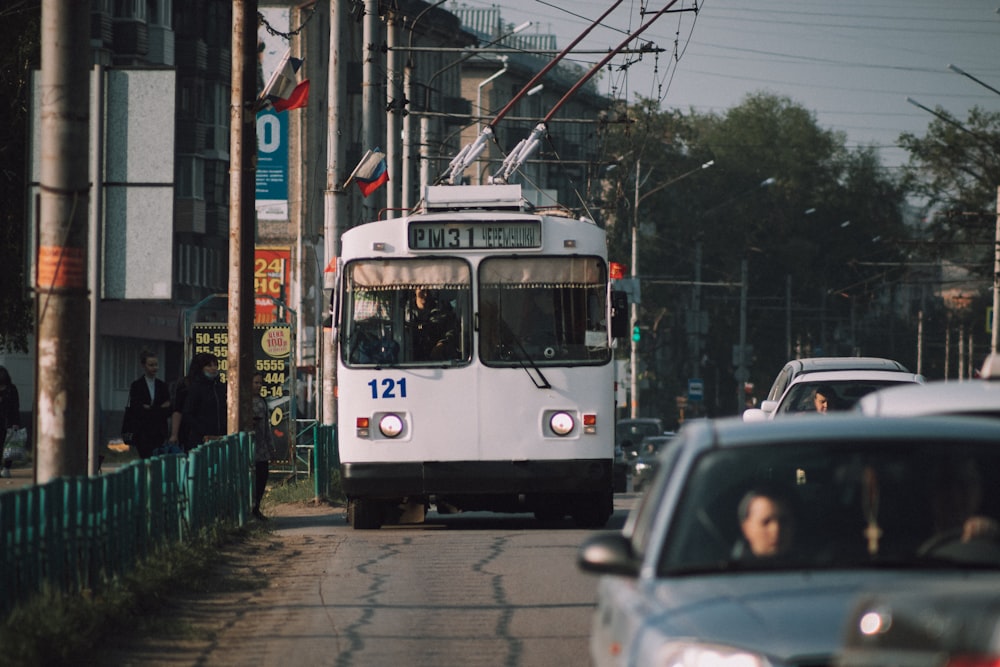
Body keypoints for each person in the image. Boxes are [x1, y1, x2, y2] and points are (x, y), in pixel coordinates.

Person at [122, 351, 173, 459]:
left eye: (156, 365)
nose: (154, 368)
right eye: (151, 365)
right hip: (143, 432)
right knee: (146, 458)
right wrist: (158, 409)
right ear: (144, 366)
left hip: (159, 432)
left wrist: (150, 408)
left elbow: (168, 409)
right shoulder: (137, 386)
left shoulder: (162, 386)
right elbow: (138, 409)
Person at [736, 484, 796, 558]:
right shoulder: (729, 569)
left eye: (783, 521)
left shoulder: (808, 566)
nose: (776, 529)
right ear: (746, 529)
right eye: (766, 522)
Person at [182, 352, 227, 449]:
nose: (213, 368)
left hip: (221, 437)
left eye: (215, 365)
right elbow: (188, 413)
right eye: (209, 366)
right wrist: (202, 431)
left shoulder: (220, 387)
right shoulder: (196, 387)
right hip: (201, 439)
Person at [405, 286, 459, 361]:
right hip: (409, 359)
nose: (426, 295)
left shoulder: (442, 309)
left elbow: (452, 330)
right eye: (422, 291)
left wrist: (442, 344)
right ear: (415, 290)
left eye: (429, 291)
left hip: (438, 359)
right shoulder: (403, 312)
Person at [251, 371, 275, 521]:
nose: (259, 386)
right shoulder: (242, 401)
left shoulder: (262, 401)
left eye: (260, 383)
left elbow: (266, 426)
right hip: (246, 448)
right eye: (256, 383)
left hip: (261, 448)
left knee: (262, 478)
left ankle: (256, 508)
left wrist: (270, 446)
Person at [0, 366, 21, 478]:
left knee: (9, 446)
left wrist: (16, 423)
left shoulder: (11, 390)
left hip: (8, 422)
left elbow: (15, 407)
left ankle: (6, 468)